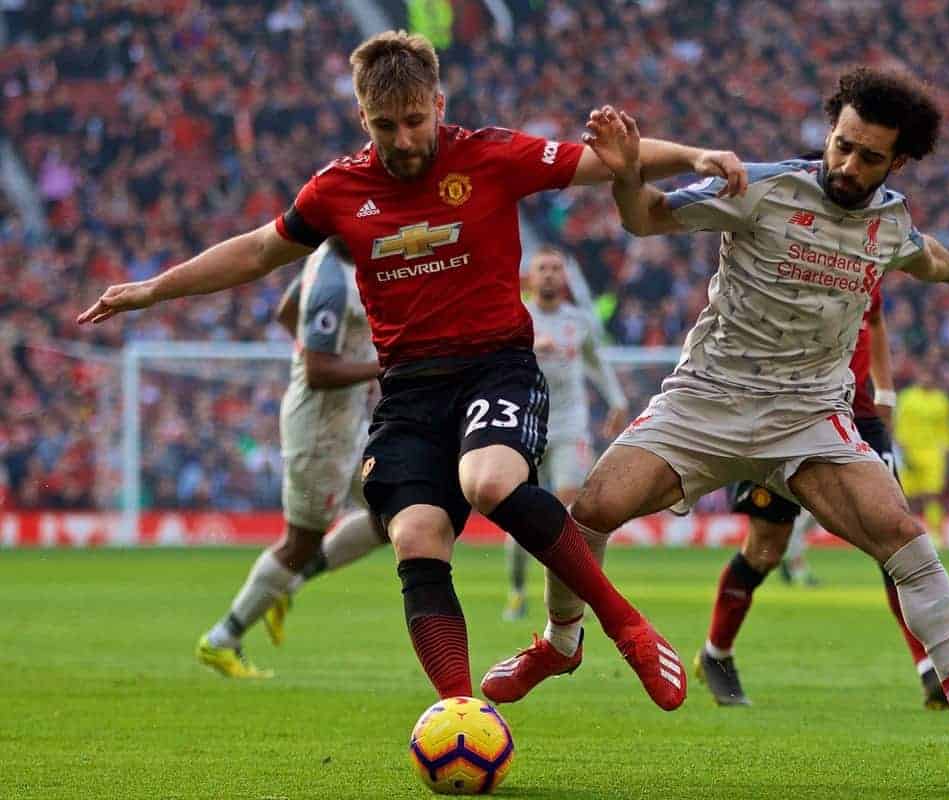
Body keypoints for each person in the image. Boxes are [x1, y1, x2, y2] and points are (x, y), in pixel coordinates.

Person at [78, 29, 751, 711]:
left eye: (414, 120)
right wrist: (152, 289)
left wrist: (696, 155)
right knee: (415, 535)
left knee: (489, 482)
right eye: (385, 125)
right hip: (407, 390)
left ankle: (624, 625)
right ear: (361, 119)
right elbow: (256, 252)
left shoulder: (489, 154)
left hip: (496, 368)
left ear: (438, 102)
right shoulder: (337, 189)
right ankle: (464, 715)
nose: (402, 139)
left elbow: (612, 160)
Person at [483, 67, 949, 762]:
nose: (847, 163)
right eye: (842, 143)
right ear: (830, 129)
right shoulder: (766, 186)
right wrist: (626, 176)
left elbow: (919, 255)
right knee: (588, 513)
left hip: (809, 415)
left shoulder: (889, 219)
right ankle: (560, 645)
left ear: (897, 162)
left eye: (869, 156)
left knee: (904, 537)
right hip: (705, 401)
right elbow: (645, 218)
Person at [700, 284, 949, 711]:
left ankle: (930, 668)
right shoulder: (790, 256)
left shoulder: (866, 253)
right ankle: (716, 656)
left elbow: (874, 318)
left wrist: (885, 390)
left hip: (859, 414)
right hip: (788, 412)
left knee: (895, 539)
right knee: (765, 549)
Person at [195, 237, 384, 678]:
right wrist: (380, 365)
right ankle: (222, 638)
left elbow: (286, 310)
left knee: (391, 513)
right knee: (300, 543)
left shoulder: (328, 260)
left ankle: (287, 587)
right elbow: (319, 372)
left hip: (346, 423)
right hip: (319, 430)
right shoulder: (334, 282)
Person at [504, 247, 628, 621]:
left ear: (565, 277)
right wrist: (527, 347)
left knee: (567, 507)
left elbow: (595, 360)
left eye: (556, 268)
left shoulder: (579, 320)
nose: (550, 275)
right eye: (543, 268)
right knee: (521, 514)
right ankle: (516, 590)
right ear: (530, 277)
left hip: (571, 423)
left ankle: (568, 594)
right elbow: (494, 361)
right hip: (527, 424)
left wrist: (617, 400)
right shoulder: (517, 318)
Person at [894, 361, 949, 538]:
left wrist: (948, 448)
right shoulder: (907, 397)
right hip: (910, 450)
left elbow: (946, 427)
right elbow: (900, 424)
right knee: (909, 497)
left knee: (932, 494)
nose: (926, 378)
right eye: (923, 374)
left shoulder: (942, 400)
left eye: (929, 375)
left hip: (934, 453)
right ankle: (909, 535)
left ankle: (936, 535)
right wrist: (902, 447)